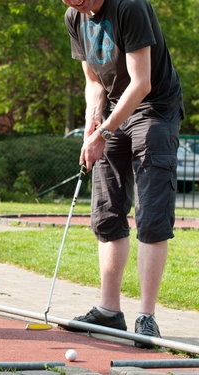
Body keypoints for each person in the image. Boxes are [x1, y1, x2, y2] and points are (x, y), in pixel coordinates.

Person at [60, 0, 184, 348]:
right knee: (106, 211)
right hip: (115, 108)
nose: (75, 4)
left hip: (155, 110)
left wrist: (105, 132)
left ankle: (147, 317)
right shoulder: (75, 16)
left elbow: (141, 82)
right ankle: (109, 310)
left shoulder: (129, 7)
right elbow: (94, 82)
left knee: (152, 213)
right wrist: (92, 125)